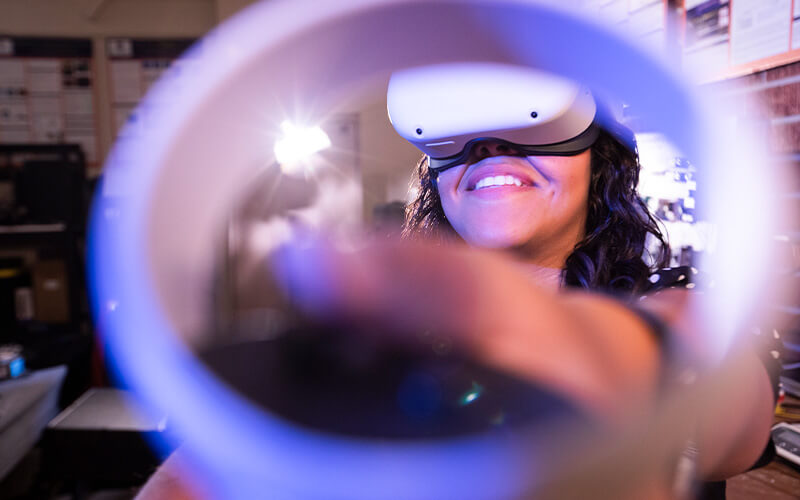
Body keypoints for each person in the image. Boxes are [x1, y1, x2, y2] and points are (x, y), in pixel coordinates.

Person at [137, 63, 780, 499]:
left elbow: (735, 417)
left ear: (599, 156)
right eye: (459, 140)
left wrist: (617, 369)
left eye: (532, 127)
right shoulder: (377, 343)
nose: (489, 151)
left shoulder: (673, 309)